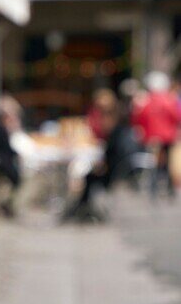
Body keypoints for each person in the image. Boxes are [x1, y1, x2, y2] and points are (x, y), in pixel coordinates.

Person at [63, 99, 139, 222]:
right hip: (113, 171)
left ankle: (80, 207)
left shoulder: (116, 133)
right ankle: (81, 207)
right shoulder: (118, 132)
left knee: (88, 177)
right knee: (87, 176)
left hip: (111, 174)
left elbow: (110, 158)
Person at [131, 71, 180, 200]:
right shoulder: (169, 100)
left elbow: (139, 118)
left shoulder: (145, 100)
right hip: (168, 136)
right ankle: (169, 189)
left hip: (152, 136)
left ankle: (153, 188)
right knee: (167, 162)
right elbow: (176, 116)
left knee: (152, 162)